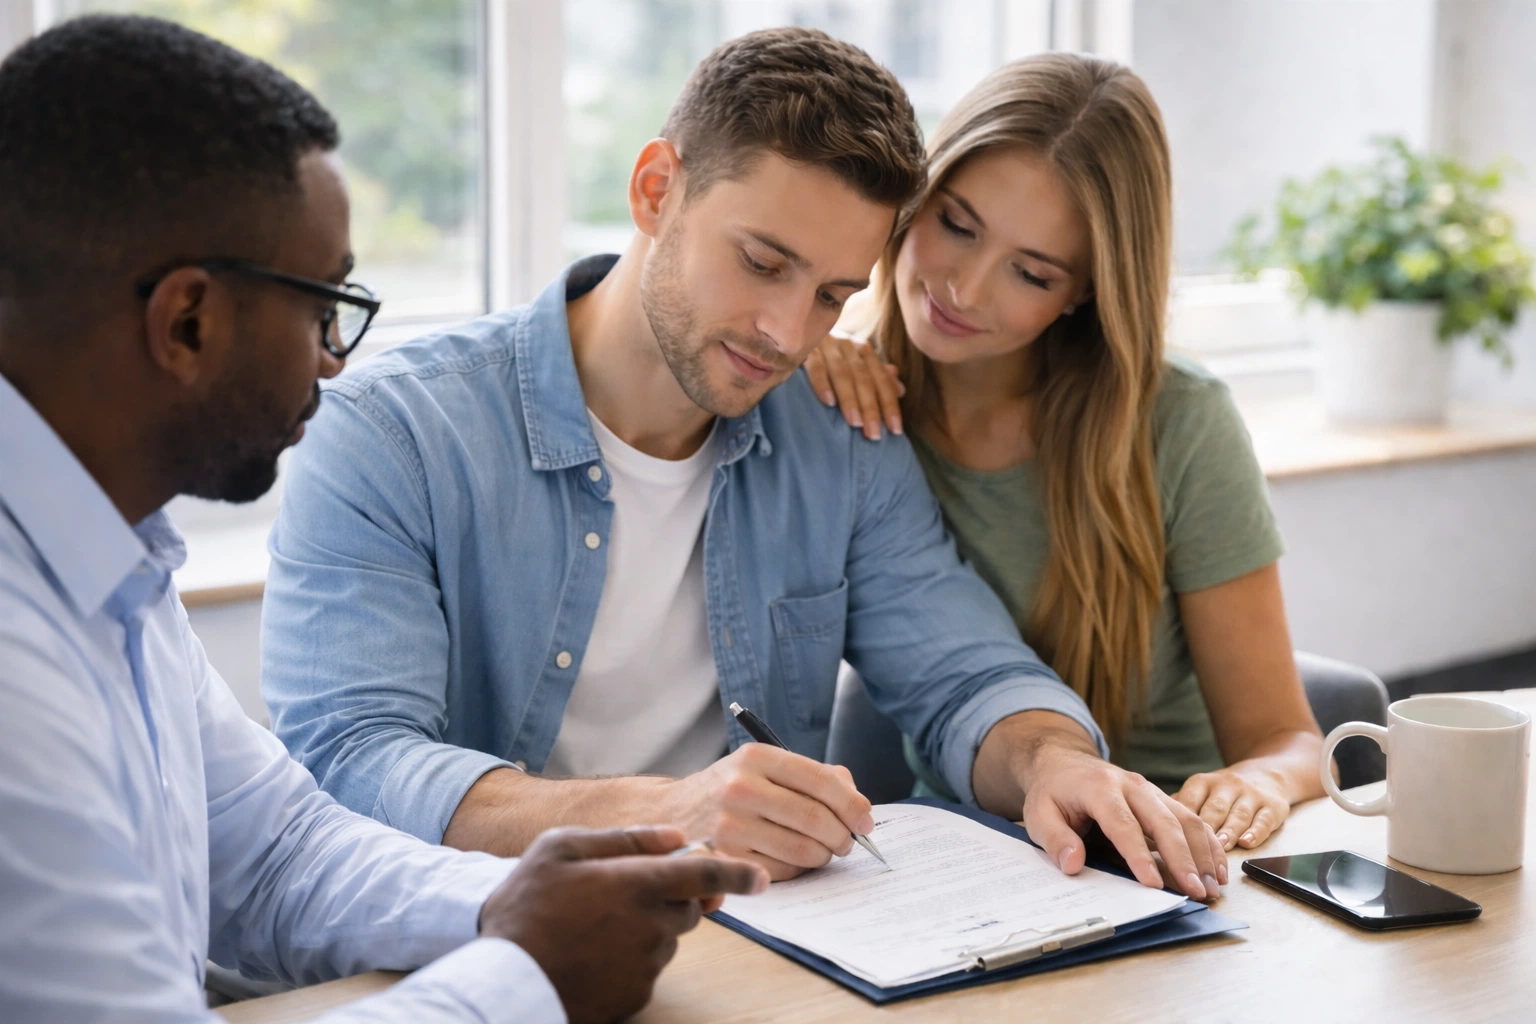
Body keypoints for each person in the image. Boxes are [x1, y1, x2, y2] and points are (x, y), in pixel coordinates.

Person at [262, 28, 1227, 900]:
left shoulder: (843, 438)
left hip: (753, 950)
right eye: (764, 263)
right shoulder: (390, 435)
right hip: (466, 948)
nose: (786, 332)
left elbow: (965, 675)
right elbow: (350, 759)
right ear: (655, 191)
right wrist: (662, 814)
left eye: (833, 295)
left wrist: (1051, 758)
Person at [0, 16, 766, 1024]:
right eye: (323, 308)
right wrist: (527, 973)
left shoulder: (109, 561)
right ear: (189, 321)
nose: (334, 358)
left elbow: (274, 854)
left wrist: (525, 903)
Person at [803, 52, 1326, 853]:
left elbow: (1288, 741)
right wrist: (800, 340)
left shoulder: (1177, 422)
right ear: (917, 197)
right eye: (957, 225)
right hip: (967, 849)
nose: (966, 290)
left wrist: (1256, 782)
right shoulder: (842, 403)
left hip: (1164, 850)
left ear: (1085, 290)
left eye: (1030, 272)